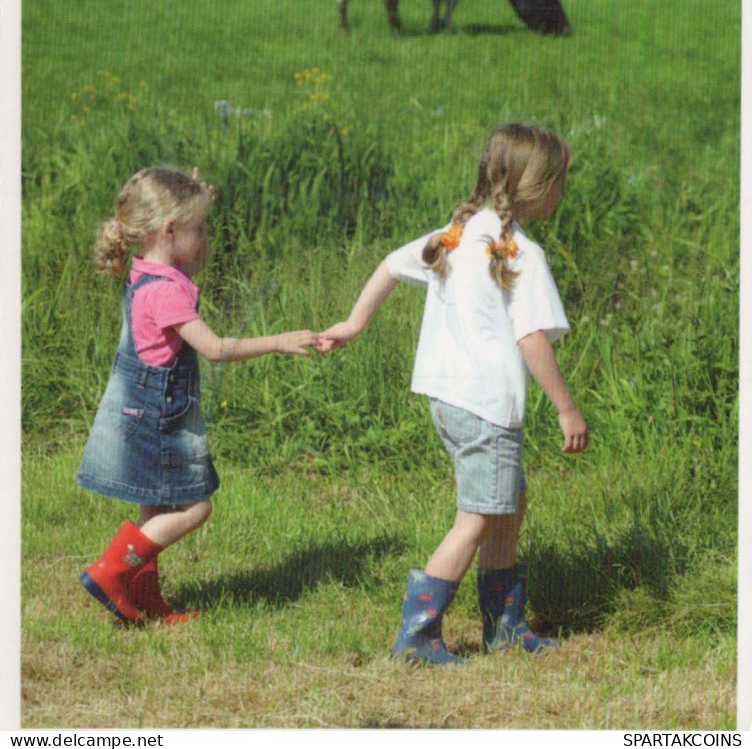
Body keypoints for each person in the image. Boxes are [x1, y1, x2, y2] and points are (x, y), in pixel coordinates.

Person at [318, 123, 588, 664]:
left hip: (449, 401)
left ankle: (505, 626)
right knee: (477, 518)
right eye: (559, 181)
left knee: (508, 501)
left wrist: (354, 322)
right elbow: (532, 338)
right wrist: (566, 407)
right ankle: (418, 636)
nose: (562, 192)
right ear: (533, 186)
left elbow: (390, 266)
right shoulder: (518, 253)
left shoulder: (458, 235)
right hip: (486, 407)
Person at [76, 165, 319, 626]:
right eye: (199, 228)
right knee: (195, 507)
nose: (206, 238)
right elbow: (216, 348)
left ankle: (146, 599)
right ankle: (110, 571)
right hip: (159, 417)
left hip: (138, 411)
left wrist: (187, 192)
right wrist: (281, 340)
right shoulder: (165, 292)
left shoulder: (144, 272)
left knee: (156, 507)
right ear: (170, 231)